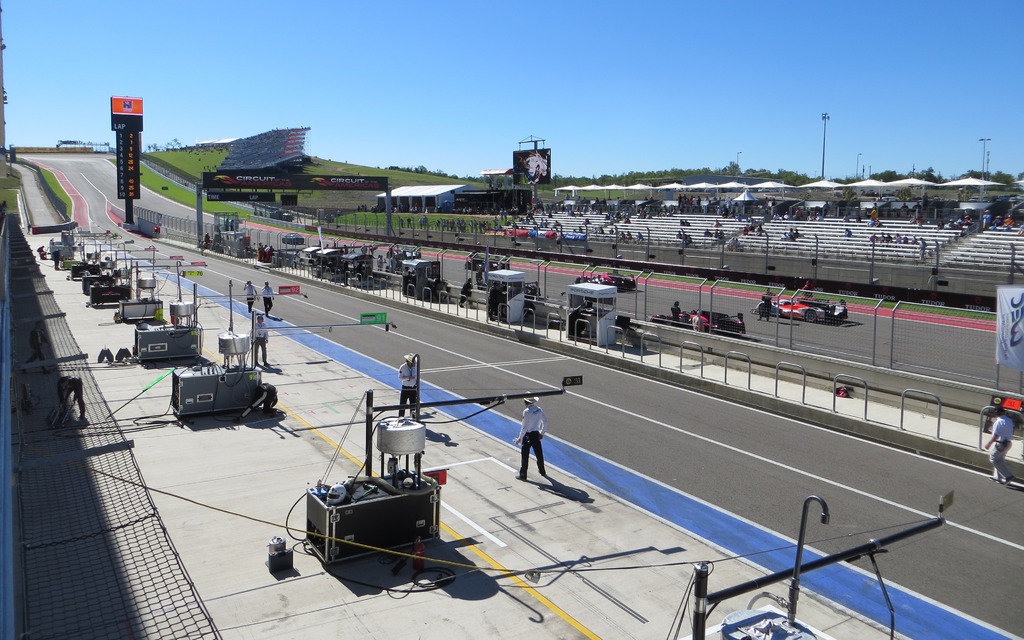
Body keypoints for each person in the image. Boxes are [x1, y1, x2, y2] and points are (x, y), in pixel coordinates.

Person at [514, 397, 548, 481]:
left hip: (528, 436)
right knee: (539, 454)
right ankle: (542, 471)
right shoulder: (539, 410)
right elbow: (545, 422)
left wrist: (520, 438)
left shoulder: (526, 412)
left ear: (526, 402)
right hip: (536, 434)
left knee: (525, 455)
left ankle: (523, 475)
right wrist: (542, 433)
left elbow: (524, 427)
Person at [984, 407, 1016, 485]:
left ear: (996, 413)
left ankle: (1008, 476)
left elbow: (996, 435)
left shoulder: (999, 421)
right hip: (1008, 443)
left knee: (994, 459)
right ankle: (997, 478)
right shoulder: (1009, 420)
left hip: (1001, 444)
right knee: (999, 460)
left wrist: (989, 443)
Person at [397, 354, 418, 418]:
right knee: (403, 404)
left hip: (413, 388)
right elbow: (400, 378)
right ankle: (400, 418)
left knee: (413, 404)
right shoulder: (403, 367)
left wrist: (416, 384)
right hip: (406, 388)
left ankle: (413, 418)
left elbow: (416, 376)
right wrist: (408, 378)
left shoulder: (415, 366)